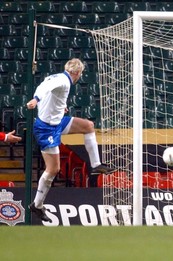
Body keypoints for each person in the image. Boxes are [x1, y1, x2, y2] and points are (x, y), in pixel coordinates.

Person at [26, 58, 115, 222]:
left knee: (88, 126)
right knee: (53, 170)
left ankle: (96, 165)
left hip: (58, 121)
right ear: (77, 73)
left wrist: (60, 107)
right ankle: (37, 205)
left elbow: (50, 92)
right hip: (46, 129)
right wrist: (36, 99)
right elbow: (44, 89)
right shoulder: (64, 81)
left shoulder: (58, 78)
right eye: (80, 73)